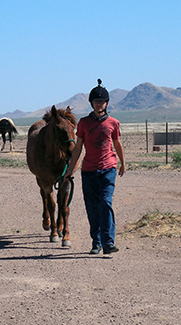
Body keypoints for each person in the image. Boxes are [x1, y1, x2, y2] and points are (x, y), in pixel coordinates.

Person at [66, 79, 126, 255]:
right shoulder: (84, 123)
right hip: (89, 170)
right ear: (92, 103)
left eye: (102, 101)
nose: (99, 104)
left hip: (108, 168)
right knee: (92, 206)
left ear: (106, 103)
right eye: (96, 101)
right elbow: (78, 147)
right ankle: (96, 241)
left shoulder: (113, 123)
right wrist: (70, 169)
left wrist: (123, 163)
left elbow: (117, 144)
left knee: (106, 203)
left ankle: (108, 242)